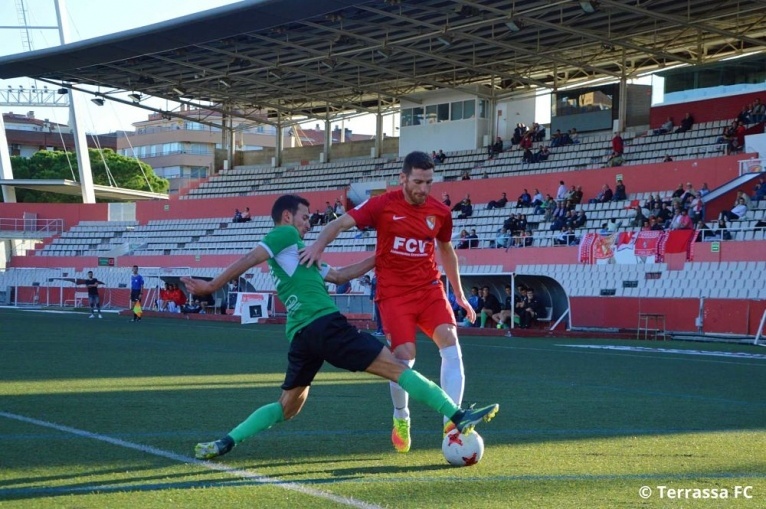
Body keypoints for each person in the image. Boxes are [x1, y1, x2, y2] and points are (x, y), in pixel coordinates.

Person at [183, 194, 498, 460]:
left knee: (287, 408)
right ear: (287, 216)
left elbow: (340, 276)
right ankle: (457, 415)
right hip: (325, 326)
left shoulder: (301, 254)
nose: (309, 224)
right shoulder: (285, 235)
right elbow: (250, 258)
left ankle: (226, 441)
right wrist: (211, 286)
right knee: (397, 367)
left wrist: (381, 255)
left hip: (301, 337)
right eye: (305, 218)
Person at [299, 150, 479, 453]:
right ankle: (401, 416)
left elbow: (446, 249)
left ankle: (452, 423)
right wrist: (318, 245)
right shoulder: (383, 205)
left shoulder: (440, 212)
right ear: (403, 178)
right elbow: (340, 223)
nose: (423, 189)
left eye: (429, 183)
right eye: (418, 182)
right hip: (394, 294)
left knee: (450, 341)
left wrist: (458, 292)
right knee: (403, 360)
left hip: (429, 288)